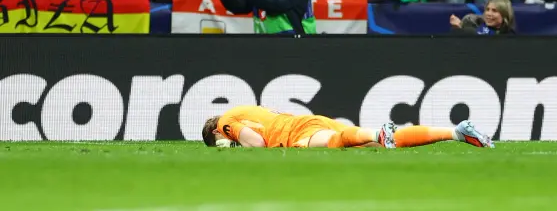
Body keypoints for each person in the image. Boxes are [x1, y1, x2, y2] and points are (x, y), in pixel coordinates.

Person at [202, 105, 494, 149]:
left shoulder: (226, 122)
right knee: (382, 144)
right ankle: (457, 132)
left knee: (336, 141)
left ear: (216, 132)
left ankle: (377, 132)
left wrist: (234, 146)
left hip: (296, 134)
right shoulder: (243, 110)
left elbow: (258, 143)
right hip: (306, 121)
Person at [450, 0, 516, 34]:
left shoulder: (510, 35)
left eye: (494, 11)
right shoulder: (475, 26)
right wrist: (458, 29)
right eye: (487, 9)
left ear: (504, 15)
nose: (489, 14)